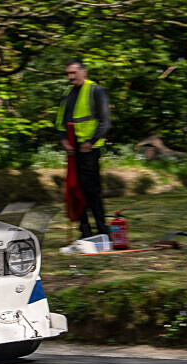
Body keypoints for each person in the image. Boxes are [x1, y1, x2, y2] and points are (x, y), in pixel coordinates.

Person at [56, 58, 111, 238]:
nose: (70, 77)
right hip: (73, 151)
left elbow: (105, 122)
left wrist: (90, 142)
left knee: (92, 191)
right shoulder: (67, 94)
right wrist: (64, 141)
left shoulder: (96, 90)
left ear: (84, 72)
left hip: (90, 150)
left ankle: (103, 230)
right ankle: (85, 231)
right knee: (75, 190)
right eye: (68, 74)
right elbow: (60, 123)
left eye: (73, 73)